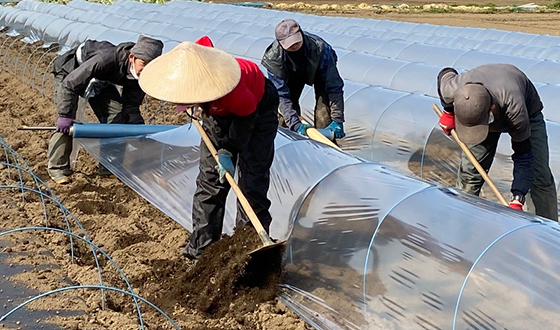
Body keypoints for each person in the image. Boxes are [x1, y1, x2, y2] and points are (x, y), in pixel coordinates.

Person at [139, 36, 278, 262]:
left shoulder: (234, 89)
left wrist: (229, 149)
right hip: (218, 112)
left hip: (256, 109)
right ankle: (202, 252)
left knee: (252, 180)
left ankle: (249, 247)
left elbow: (246, 117)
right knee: (210, 181)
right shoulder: (195, 84)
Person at [437, 64, 558, 221]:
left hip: (526, 113)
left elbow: (524, 155)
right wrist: (448, 111)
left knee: (538, 176)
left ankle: (545, 232)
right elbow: (444, 73)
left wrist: (517, 197)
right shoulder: (452, 89)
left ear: (491, 109)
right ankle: (460, 222)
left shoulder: (516, 109)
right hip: (481, 109)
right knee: (470, 172)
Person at [47, 35, 164, 184]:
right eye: (143, 63)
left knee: (117, 118)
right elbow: (70, 84)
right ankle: (58, 168)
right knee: (68, 121)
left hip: (100, 79)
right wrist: (64, 115)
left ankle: (109, 166)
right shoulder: (107, 59)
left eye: (151, 65)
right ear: (131, 58)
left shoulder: (140, 76)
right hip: (72, 71)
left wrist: (137, 130)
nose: (146, 68)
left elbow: (131, 106)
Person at [261, 19, 346, 141]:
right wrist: (294, 123)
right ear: (280, 43)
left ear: (301, 33)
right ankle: (291, 143)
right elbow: (281, 95)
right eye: (289, 44)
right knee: (285, 115)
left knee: (324, 112)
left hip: (318, 71)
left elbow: (334, 86)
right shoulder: (273, 58)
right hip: (290, 75)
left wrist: (337, 119)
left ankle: (325, 147)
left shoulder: (321, 49)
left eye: (296, 41)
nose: (294, 45)